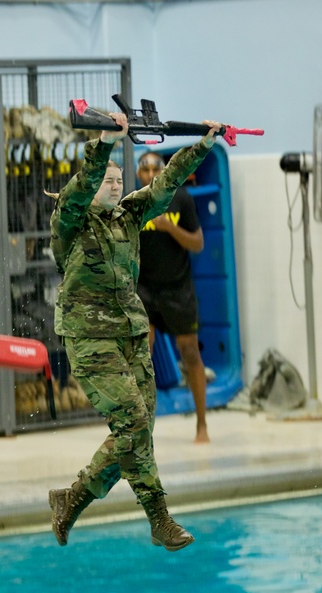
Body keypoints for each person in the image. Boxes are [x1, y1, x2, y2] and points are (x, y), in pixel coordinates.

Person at [47, 111, 221, 551]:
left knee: (138, 430)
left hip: (128, 333)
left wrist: (202, 144)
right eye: (107, 178)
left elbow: (164, 187)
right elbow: (84, 182)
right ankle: (159, 518)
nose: (115, 183)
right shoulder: (70, 222)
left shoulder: (128, 216)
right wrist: (105, 143)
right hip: (89, 338)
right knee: (132, 421)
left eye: (119, 177)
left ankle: (73, 497)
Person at [136, 151, 211, 444]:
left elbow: (198, 243)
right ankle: (140, 430)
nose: (151, 174)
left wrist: (170, 227)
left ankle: (202, 424)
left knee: (190, 352)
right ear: (138, 174)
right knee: (142, 354)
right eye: (145, 169)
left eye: (157, 168)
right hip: (145, 290)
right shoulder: (136, 203)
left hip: (178, 288)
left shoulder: (182, 199)